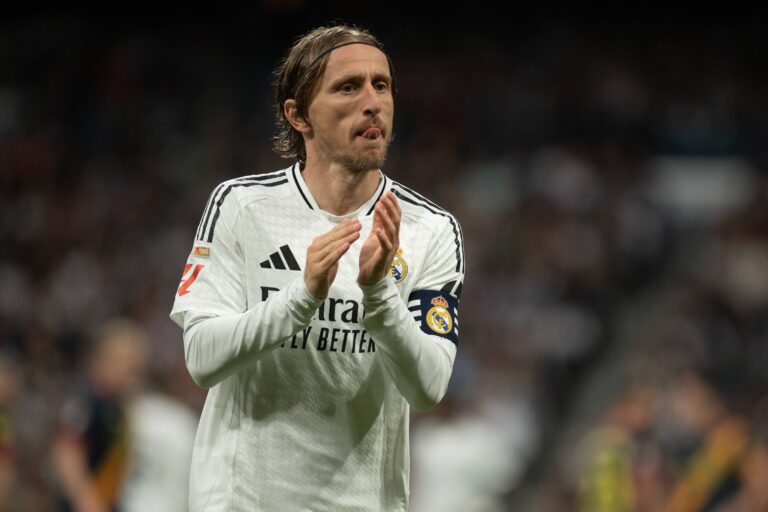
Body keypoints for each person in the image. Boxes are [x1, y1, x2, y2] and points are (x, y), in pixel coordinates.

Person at [170, 24, 465, 511]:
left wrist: (379, 294)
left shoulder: (430, 229)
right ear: (298, 114)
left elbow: (427, 388)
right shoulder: (242, 206)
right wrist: (302, 297)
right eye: (348, 87)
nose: (372, 102)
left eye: (382, 85)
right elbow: (202, 359)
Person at [52, 319, 149, 512]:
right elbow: (67, 453)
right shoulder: (88, 399)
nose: (135, 375)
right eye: (130, 365)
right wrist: (89, 503)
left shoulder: (116, 405)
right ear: (108, 359)